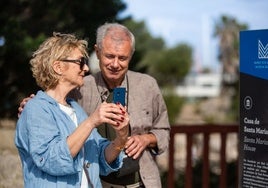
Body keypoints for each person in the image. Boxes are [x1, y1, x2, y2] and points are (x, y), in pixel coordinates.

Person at [18, 23, 170, 188]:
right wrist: (32, 106)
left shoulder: (147, 85)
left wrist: (127, 138)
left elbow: (99, 153)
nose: (115, 64)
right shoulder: (76, 91)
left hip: (142, 182)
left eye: (123, 58)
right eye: (110, 56)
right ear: (97, 52)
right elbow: (51, 153)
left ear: (131, 56)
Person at [15, 32, 130, 188]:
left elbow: (101, 157)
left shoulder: (76, 109)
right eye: (81, 62)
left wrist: (121, 138)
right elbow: (52, 160)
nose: (87, 68)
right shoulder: (35, 109)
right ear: (58, 67)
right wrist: (91, 121)